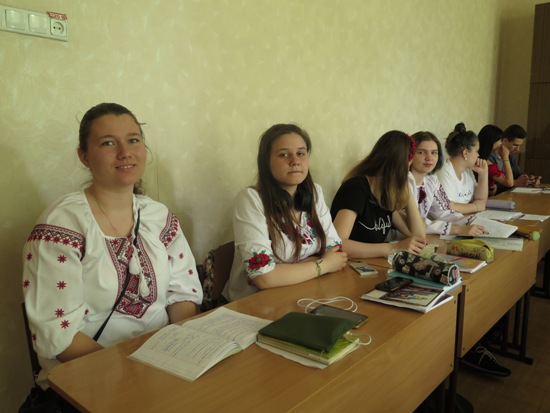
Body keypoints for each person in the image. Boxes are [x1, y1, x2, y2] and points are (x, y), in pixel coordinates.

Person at [22, 103, 203, 386]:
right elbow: (58, 333)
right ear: (84, 156)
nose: (125, 152)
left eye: (133, 140)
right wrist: (132, 374)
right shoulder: (62, 225)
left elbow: (182, 294)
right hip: (90, 377)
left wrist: (177, 356)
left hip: (164, 366)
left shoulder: (158, 216)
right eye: (108, 143)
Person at [223, 124, 347, 301]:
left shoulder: (314, 193)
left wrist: (283, 270)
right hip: (257, 303)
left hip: (308, 293)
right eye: (283, 155)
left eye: (301, 153)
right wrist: (324, 264)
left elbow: (337, 252)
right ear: (266, 162)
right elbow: (263, 277)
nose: (295, 161)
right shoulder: (251, 199)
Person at [330, 130, 426, 259]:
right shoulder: (356, 188)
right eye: (407, 167)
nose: (408, 171)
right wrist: (393, 247)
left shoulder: (385, 192)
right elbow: (338, 244)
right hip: (347, 265)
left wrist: (406, 188)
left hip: (371, 264)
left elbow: (418, 238)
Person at [409, 131, 486, 236]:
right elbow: (413, 223)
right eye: (421, 152)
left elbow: (445, 211)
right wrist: (457, 230)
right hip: (401, 239)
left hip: (420, 236)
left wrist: (473, 222)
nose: (429, 158)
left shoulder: (431, 180)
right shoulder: (404, 182)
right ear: (410, 155)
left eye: (434, 153)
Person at [437, 123, 489, 215]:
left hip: (466, 218)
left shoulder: (467, 170)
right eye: (477, 151)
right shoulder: (444, 171)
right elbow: (449, 207)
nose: (478, 155)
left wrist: (483, 175)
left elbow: (481, 200)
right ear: (465, 153)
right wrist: (476, 206)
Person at [488, 124, 541, 193]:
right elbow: (493, 187)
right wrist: (516, 182)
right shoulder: (489, 158)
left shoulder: (511, 156)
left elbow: (519, 175)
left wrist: (530, 180)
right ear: (505, 141)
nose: (517, 149)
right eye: (515, 145)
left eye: (519, 146)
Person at [477, 124, 514, 195]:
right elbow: (509, 182)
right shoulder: (485, 162)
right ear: (491, 141)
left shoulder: (485, 159)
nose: (501, 144)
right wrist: (505, 158)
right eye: (499, 140)